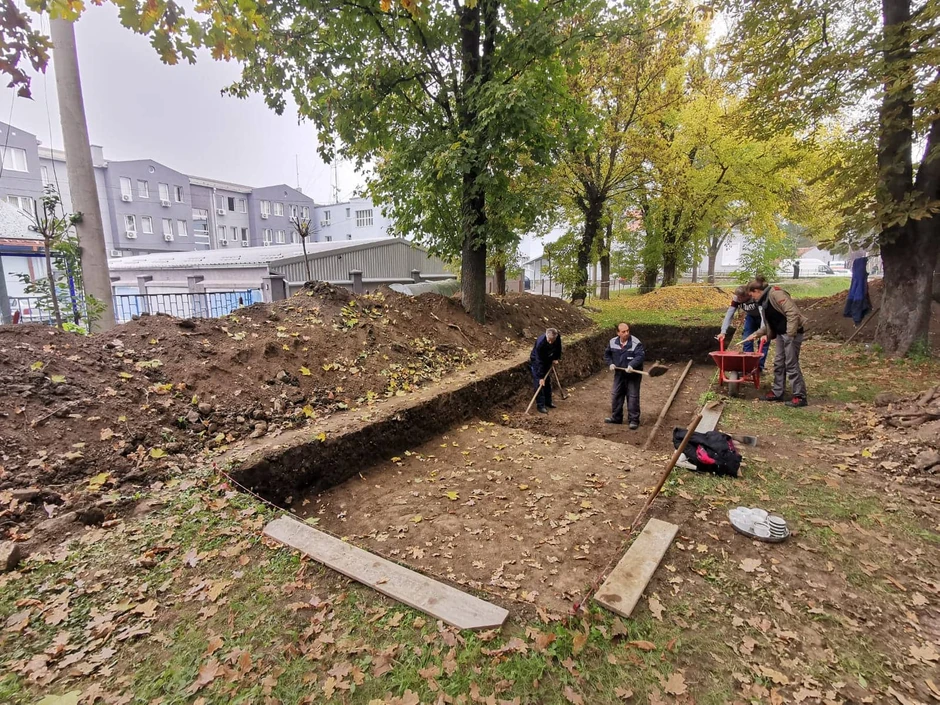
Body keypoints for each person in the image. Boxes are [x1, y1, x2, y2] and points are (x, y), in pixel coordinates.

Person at [743, 280, 808, 407]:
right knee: (779, 363)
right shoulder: (764, 301)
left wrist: (790, 334)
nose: (752, 298)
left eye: (752, 295)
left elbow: (792, 313)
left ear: (757, 291)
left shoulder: (777, 294)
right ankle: (778, 392)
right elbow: (770, 323)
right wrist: (756, 334)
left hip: (791, 334)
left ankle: (800, 396)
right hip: (780, 334)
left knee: (791, 364)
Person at [717, 277, 769, 371]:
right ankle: (748, 366)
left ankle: (759, 368)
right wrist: (723, 331)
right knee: (746, 339)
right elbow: (730, 313)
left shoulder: (756, 297)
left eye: (741, 298)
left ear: (748, 295)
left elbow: (763, 315)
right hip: (751, 318)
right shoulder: (737, 298)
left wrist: (763, 333)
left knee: (763, 342)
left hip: (764, 318)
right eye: (738, 297)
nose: (739, 299)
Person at [604, 322, 645, 429]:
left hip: (633, 374)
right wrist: (610, 363)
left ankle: (634, 420)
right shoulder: (612, 342)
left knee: (632, 396)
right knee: (616, 394)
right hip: (619, 374)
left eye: (627, 331)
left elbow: (640, 356)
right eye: (623, 331)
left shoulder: (636, 343)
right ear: (618, 333)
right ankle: (616, 418)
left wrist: (632, 365)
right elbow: (607, 354)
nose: (626, 333)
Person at [529, 327, 562, 414]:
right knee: (539, 384)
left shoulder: (557, 338)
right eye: (549, 340)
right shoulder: (540, 343)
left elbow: (559, 348)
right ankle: (540, 405)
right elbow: (538, 361)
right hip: (537, 362)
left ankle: (548, 402)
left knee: (547, 382)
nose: (550, 342)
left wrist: (556, 358)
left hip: (548, 359)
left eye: (552, 340)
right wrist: (540, 377)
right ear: (546, 336)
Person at [843, 256, 872, 326]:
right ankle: (857, 319)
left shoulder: (857, 280)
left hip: (858, 296)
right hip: (858, 298)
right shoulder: (859, 281)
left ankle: (857, 318)